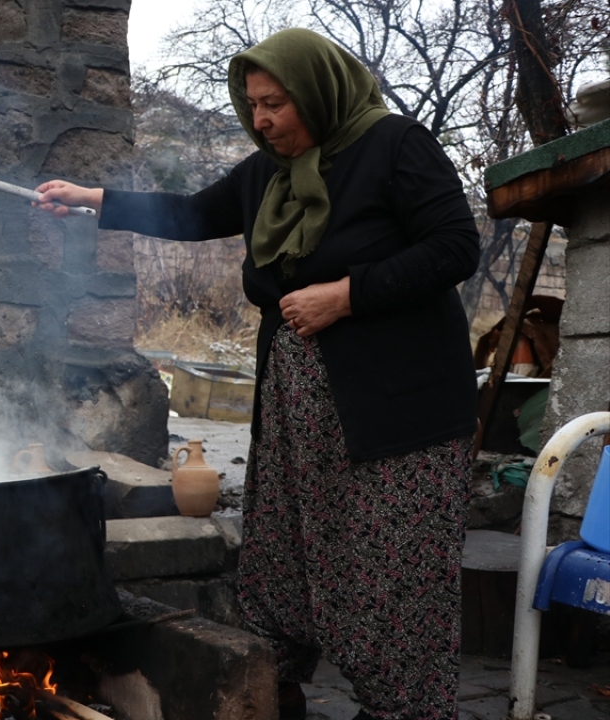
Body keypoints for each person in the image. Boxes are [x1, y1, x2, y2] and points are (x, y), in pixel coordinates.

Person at [35, 28, 480, 720]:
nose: (261, 119)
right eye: (252, 104)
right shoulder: (265, 175)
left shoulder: (393, 146)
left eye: (276, 102)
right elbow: (190, 214)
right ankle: (281, 689)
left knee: (390, 570)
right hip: (300, 415)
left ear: (318, 92)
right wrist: (94, 199)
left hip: (397, 416)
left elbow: (455, 246)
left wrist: (348, 294)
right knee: (290, 555)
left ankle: (402, 707)